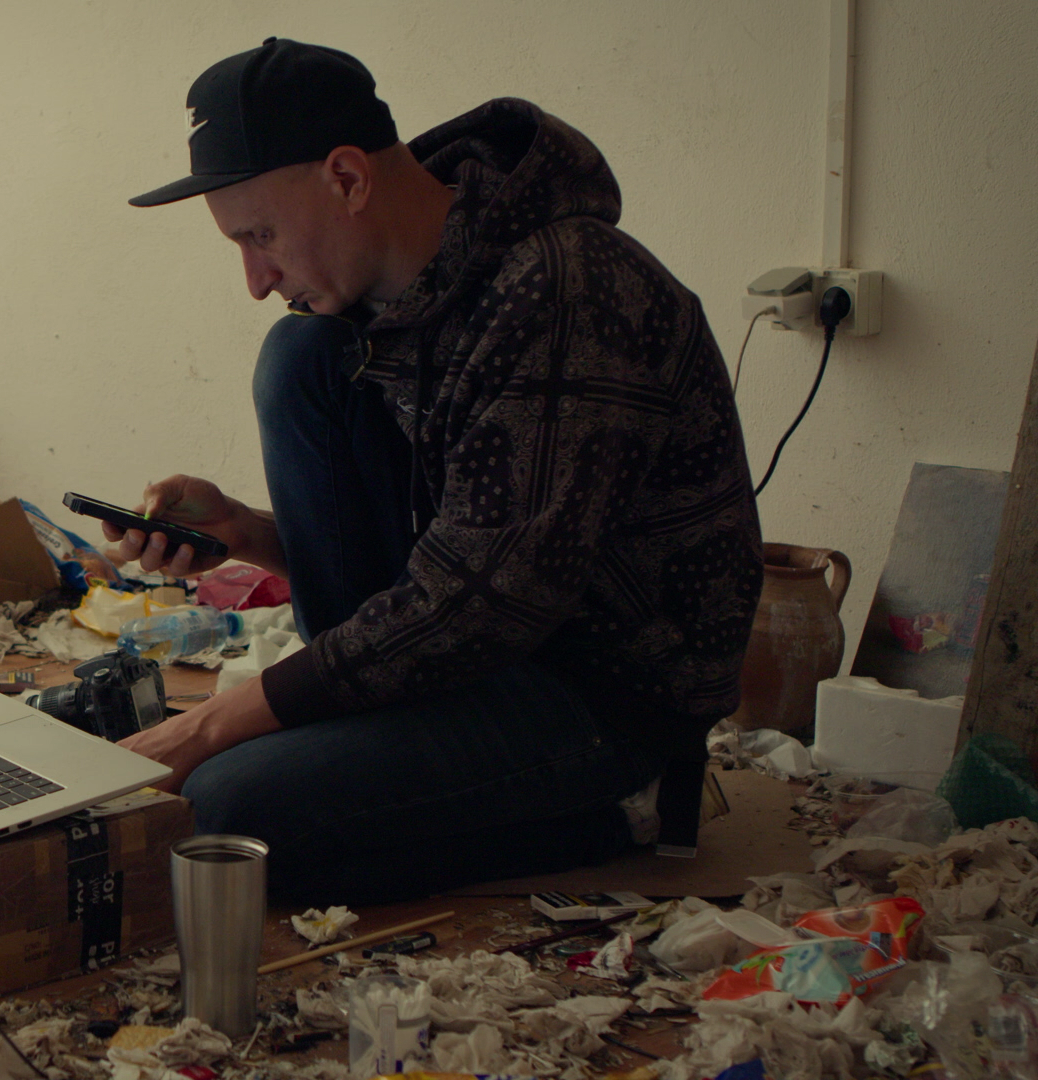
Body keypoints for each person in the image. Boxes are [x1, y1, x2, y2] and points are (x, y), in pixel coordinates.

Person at [107, 38, 763, 903]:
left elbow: (479, 603)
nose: (255, 279)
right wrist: (247, 536)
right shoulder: (407, 293)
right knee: (303, 354)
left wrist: (208, 729)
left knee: (220, 814)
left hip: (605, 694)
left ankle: (632, 807)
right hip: (483, 646)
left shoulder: (563, 290)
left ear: (347, 178)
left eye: (260, 236)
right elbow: (437, 572)